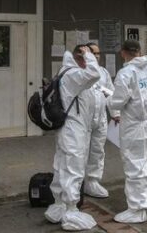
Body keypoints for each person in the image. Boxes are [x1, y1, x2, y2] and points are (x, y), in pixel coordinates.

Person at [45, 45, 101, 231]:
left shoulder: (65, 72)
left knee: (62, 166)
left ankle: (58, 206)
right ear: (81, 57)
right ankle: (70, 210)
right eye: (90, 56)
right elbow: (94, 74)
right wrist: (88, 56)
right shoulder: (73, 74)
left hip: (68, 128)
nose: (93, 59)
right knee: (73, 168)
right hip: (73, 129)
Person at [107, 40, 147, 224]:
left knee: (135, 165)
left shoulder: (126, 73)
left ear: (123, 53)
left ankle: (137, 209)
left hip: (134, 125)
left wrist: (108, 98)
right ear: (139, 51)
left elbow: (117, 102)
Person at [84, 42, 119, 198]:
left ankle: (92, 181)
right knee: (79, 151)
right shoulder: (78, 71)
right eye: (94, 53)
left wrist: (115, 113)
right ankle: (76, 181)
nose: (97, 56)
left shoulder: (103, 72)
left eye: (98, 53)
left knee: (97, 150)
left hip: (101, 118)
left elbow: (111, 93)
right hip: (82, 119)